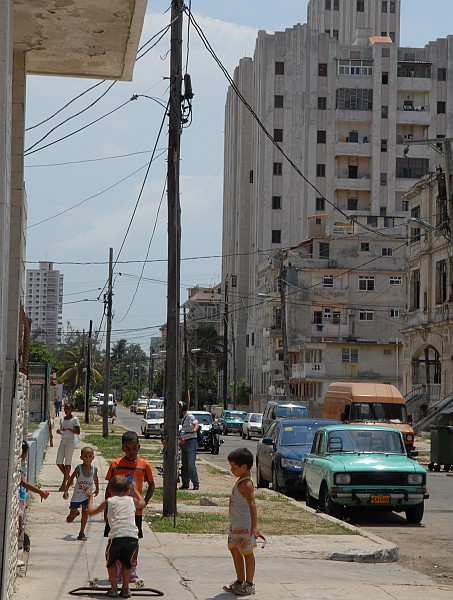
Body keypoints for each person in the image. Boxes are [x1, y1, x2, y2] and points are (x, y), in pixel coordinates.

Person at [104, 431, 154, 583]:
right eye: (128, 449)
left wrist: (144, 502)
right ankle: (118, 566)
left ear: (139, 447)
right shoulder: (115, 465)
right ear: (123, 449)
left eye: (134, 448)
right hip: (116, 511)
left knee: (134, 540)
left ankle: (132, 566)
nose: (131, 452)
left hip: (135, 512)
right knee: (116, 539)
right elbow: (108, 487)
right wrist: (107, 509)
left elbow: (151, 485)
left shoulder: (144, 465)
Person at [87, 475, 145, 598]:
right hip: (132, 537)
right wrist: (135, 490)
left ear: (110, 490)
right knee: (126, 562)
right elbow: (142, 503)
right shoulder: (131, 500)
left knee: (111, 562)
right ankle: (125, 588)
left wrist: (90, 497)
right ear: (128, 489)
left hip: (116, 536)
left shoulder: (109, 501)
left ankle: (114, 588)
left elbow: (91, 512)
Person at [223, 447, 259, 596]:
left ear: (244, 467)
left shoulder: (246, 484)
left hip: (244, 525)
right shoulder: (240, 481)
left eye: (234, 467)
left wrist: (254, 526)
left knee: (247, 553)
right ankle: (239, 580)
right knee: (234, 549)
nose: (232, 471)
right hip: (235, 525)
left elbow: (252, 504)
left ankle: (249, 584)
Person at [18, 441, 49, 565]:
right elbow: (24, 483)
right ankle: (15, 554)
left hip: (20, 500)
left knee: (19, 527)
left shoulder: (17, 466)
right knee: (18, 527)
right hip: (19, 500)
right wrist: (40, 492)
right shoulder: (19, 468)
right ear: (24, 454)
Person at [63, 446, 99, 541]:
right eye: (85, 456)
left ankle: (81, 532)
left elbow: (95, 478)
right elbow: (71, 479)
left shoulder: (94, 469)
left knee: (86, 512)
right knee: (70, 517)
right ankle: (74, 514)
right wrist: (66, 489)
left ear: (93, 457)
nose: (88, 458)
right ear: (81, 457)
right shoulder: (79, 468)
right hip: (77, 494)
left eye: (90, 456)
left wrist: (97, 488)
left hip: (87, 495)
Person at [56, 402, 80, 491]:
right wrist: (60, 431)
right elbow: (62, 429)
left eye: (69, 409)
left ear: (72, 410)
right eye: (65, 408)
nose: (67, 410)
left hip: (70, 442)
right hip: (63, 441)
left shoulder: (74, 419)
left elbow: (78, 432)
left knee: (67, 462)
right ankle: (69, 478)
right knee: (58, 462)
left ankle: (64, 483)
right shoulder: (62, 419)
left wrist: (69, 429)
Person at [178, 402, 200, 490]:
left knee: (191, 464)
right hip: (184, 442)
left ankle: (196, 483)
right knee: (185, 464)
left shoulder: (189, 416)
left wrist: (194, 429)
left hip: (191, 442)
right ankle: (185, 484)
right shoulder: (182, 418)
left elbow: (196, 424)